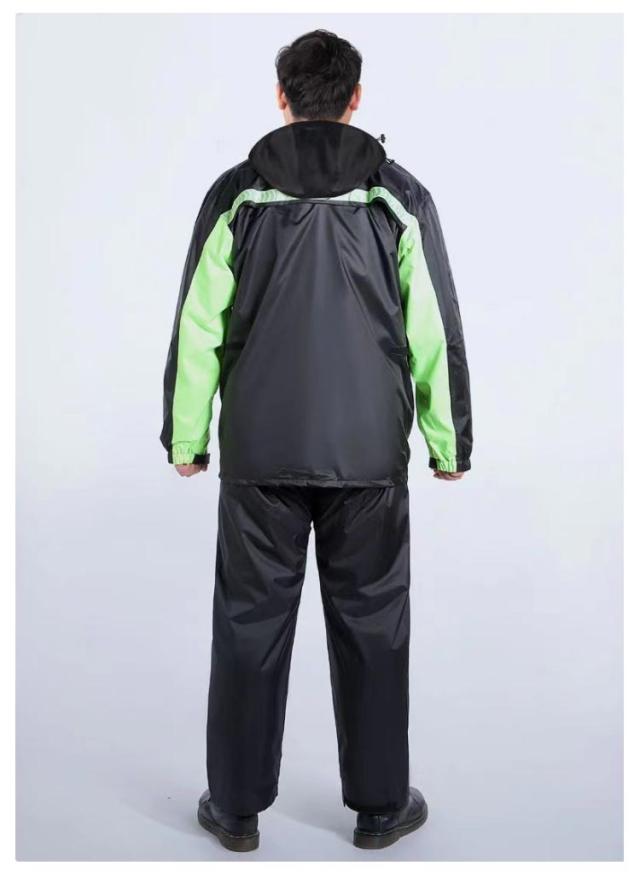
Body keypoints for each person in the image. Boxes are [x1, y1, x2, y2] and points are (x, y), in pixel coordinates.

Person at [161, 28, 472, 853]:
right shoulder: (398, 197)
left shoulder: (236, 195)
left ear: (282, 98)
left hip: (260, 455)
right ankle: (380, 807)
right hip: (368, 456)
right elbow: (433, 327)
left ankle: (235, 808)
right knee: (374, 624)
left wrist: (186, 435)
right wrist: (449, 442)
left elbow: (198, 326)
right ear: (355, 99)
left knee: (248, 623)